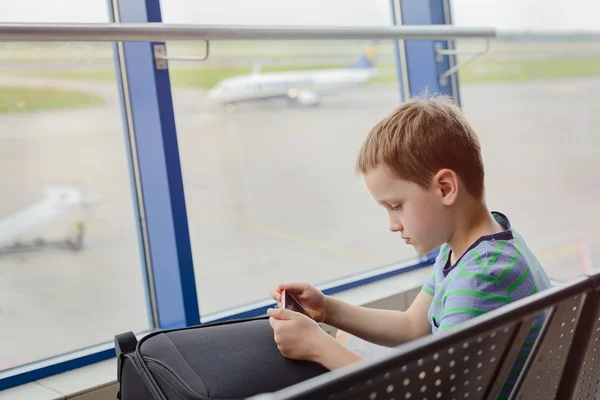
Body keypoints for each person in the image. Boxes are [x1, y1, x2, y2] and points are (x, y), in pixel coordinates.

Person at [267, 93, 552, 398]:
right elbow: (413, 325)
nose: (393, 224)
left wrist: (318, 348)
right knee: (346, 338)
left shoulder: (481, 278)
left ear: (445, 188)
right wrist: (327, 309)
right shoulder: (470, 244)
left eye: (396, 205)